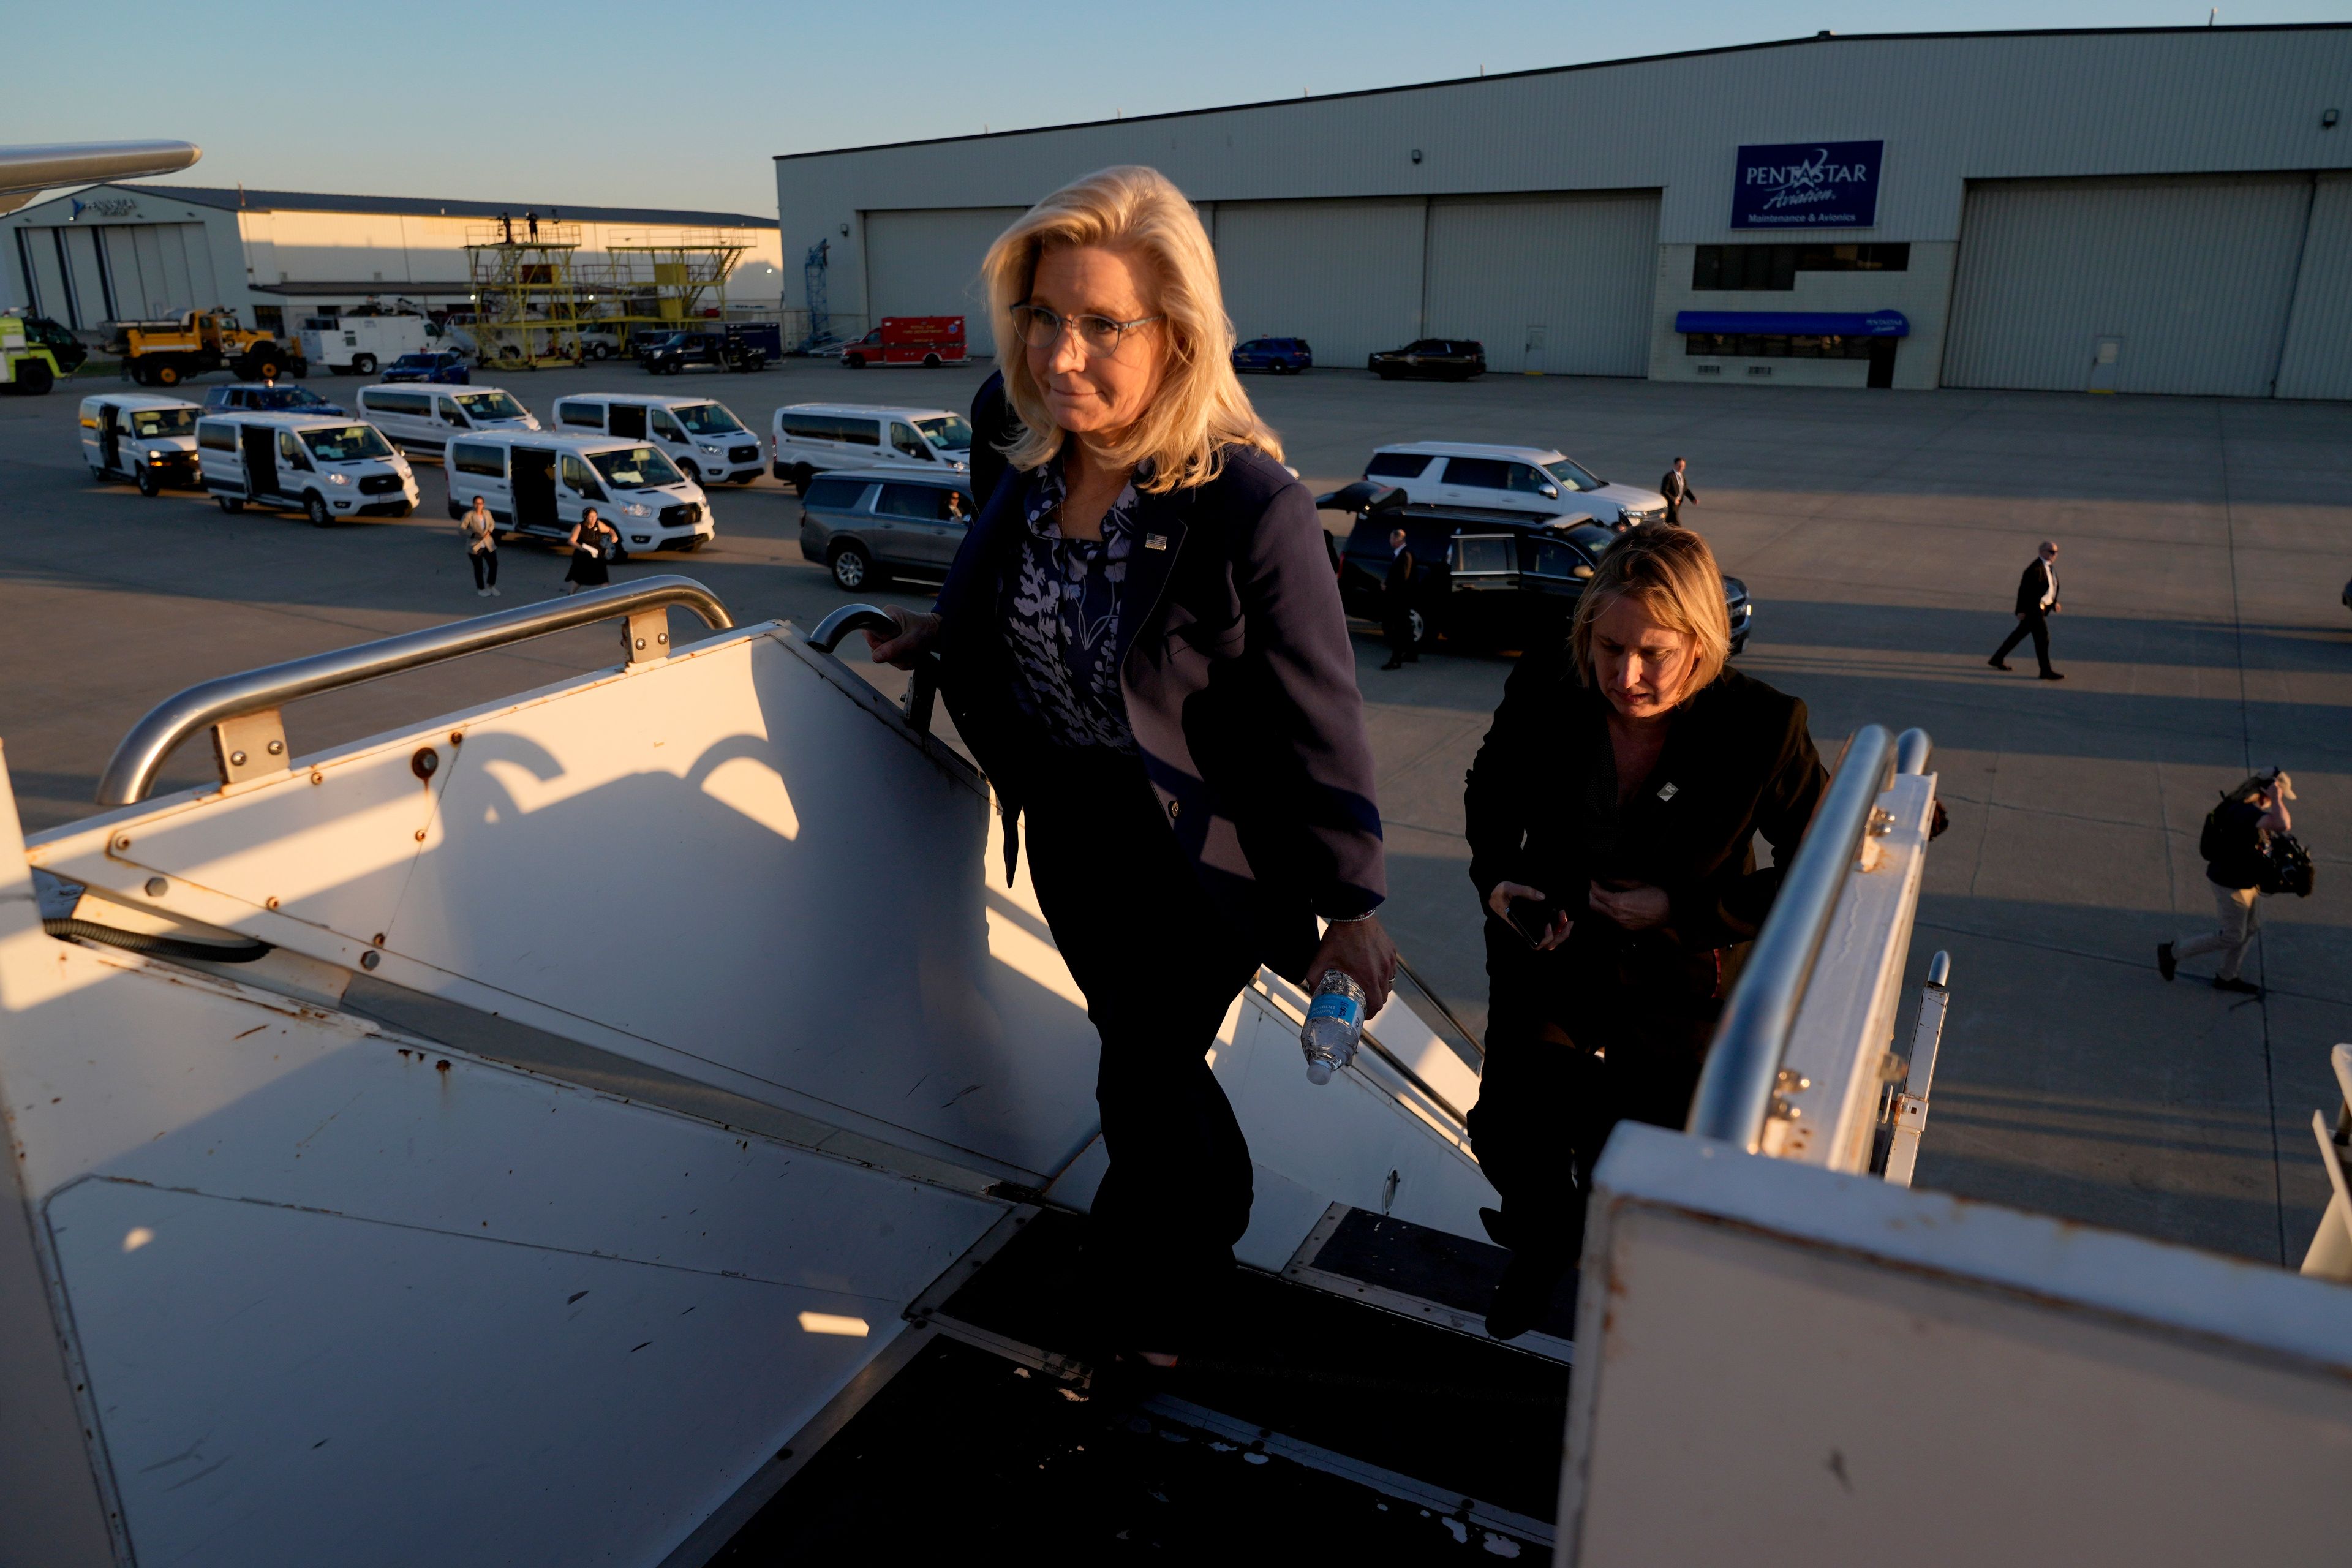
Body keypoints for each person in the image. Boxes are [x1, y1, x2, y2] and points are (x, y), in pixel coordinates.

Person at [864, 165, 1393, 1362]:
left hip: (1199, 851)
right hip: (1071, 818)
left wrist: (1354, 900)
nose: (1062, 355)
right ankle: (1195, 1228)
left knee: (1141, 1076)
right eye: (1046, 317)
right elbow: (989, 564)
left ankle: (1146, 1293)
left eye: (1103, 325)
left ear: (1178, 334)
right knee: (1137, 1054)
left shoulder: (1247, 504)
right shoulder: (1025, 450)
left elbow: (1323, 710)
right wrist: (942, 633)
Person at [1461, 524, 1827, 1338]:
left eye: (1652, 653)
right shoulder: (1548, 689)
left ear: (1702, 642)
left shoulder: (1764, 728)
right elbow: (1489, 784)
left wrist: (1681, 910)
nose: (1625, 675)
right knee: (1507, 1131)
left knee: (1641, 1152)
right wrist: (1497, 877)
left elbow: (1820, 859)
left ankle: (1619, 1292)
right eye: (1608, 647)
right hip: (1553, 947)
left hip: (1678, 973)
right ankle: (1548, 1238)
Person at [2159, 769, 2294, 996]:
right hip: (2231, 884)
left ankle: (2227, 976)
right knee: (2232, 935)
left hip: (2246, 880)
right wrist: (2277, 799)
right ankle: (2172, 953)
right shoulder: (2244, 812)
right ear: (2265, 791)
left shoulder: (2245, 808)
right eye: (2275, 794)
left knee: (2251, 927)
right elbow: (2283, 825)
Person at [1989, 540, 2063, 680]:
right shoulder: (2034, 569)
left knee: (2018, 635)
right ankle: (2045, 671)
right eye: (2051, 552)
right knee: (2043, 639)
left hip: (2041, 608)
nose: (2055, 555)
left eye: (2056, 552)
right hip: (2033, 609)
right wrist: (2020, 611)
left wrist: (2054, 602)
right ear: (2041, 552)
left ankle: (1997, 658)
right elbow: (2024, 591)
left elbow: (2051, 588)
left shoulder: (2049, 567)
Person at [1381, 526, 1419, 670]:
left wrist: (1388, 587)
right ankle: (1411, 653)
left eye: (1391, 538)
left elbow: (1403, 579)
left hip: (1400, 600)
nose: (1390, 541)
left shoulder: (1405, 556)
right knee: (1406, 627)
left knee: (1397, 630)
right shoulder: (1402, 554)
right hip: (1402, 599)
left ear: (1397, 539)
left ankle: (1396, 660)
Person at [561, 507, 616, 594]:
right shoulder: (579, 526)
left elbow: (610, 530)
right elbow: (571, 541)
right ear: (586, 517)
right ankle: (571, 594)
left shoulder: (598, 524)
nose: (594, 519)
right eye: (591, 517)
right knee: (580, 579)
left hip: (597, 555)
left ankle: (606, 597)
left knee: (603, 579)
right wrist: (581, 548)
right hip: (583, 556)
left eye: (595, 516)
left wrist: (614, 535)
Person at [461, 495, 500, 597]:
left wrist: (489, 532)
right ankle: (481, 588)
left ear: (484, 504)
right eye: (477, 504)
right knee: (479, 568)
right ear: (474, 504)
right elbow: (462, 529)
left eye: (481, 503)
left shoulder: (487, 513)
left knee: (494, 564)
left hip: (488, 544)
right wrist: (473, 535)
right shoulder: (469, 515)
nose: (479, 506)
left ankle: (491, 585)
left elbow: (492, 524)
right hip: (475, 546)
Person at [1659, 456, 1696, 526]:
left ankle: (1664, 532)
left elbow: (1685, 489)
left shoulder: (1682, 477)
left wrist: (1693, 499)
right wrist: (1674, 499)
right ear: (1675, 465)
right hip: (1671, 503)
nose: (1681, 467)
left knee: (1670, 521)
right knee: (1676, 522)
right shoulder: (1669, 477)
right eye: (1679, 465)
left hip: (1678, 503)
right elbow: (1664, 491)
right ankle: (1680, 535)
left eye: (1683, 466)